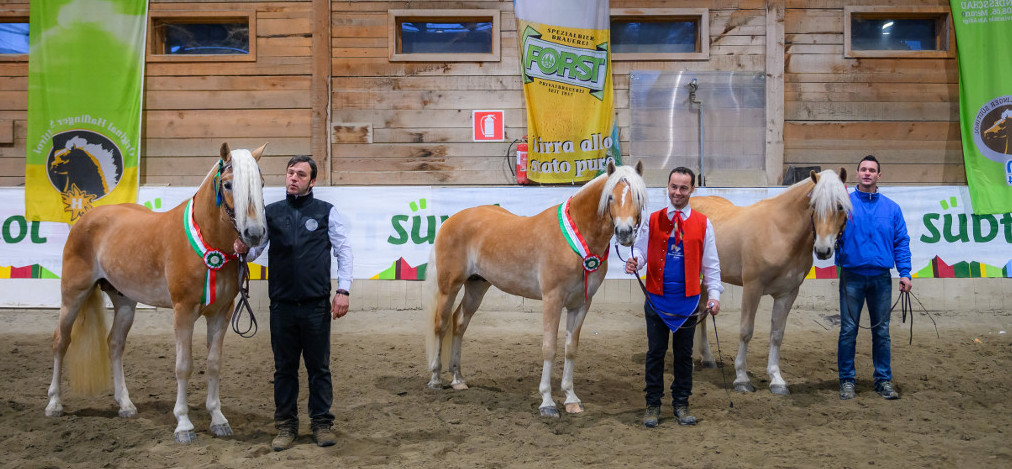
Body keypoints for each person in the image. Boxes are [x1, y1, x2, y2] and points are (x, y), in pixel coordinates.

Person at [235, 155, 353, 450]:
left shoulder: (327, 212)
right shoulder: (270, 213)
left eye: (301, 174)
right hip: (282, 306)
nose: (293, 178)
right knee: (283, 369)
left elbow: (344, 251)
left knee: (319, 368)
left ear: (312, 181)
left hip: (315, 306)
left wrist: (344, 291)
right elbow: (255, 251)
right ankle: (286, 425)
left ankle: (322, 423)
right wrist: (242, 247)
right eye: (290, 173)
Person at [625, 167, 723, 427]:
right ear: (667, 187)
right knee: (655, 354)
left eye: (683, 188)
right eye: (673, 187)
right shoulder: (654, 219)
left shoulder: (704, 224)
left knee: (684, 356)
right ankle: (652, 405)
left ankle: (681, 403)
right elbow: (644, 252)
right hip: (657, 299)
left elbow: (711, 265)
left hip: (688, 302)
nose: (677, 192)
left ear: (692, 190)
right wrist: (636, 261)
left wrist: (714, 295)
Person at [835, 154, 911, 401]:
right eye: (863, 169)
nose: (867, 173)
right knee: (848, 330)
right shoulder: (843, 205)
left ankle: (883, 380)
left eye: (872, 170)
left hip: (881, 278)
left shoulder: (892, 209)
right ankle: (847, 381)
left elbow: (901, 242)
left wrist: (905, 273)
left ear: (879, 175)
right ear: (857, 173)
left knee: (882, 332)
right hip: (852, 276)